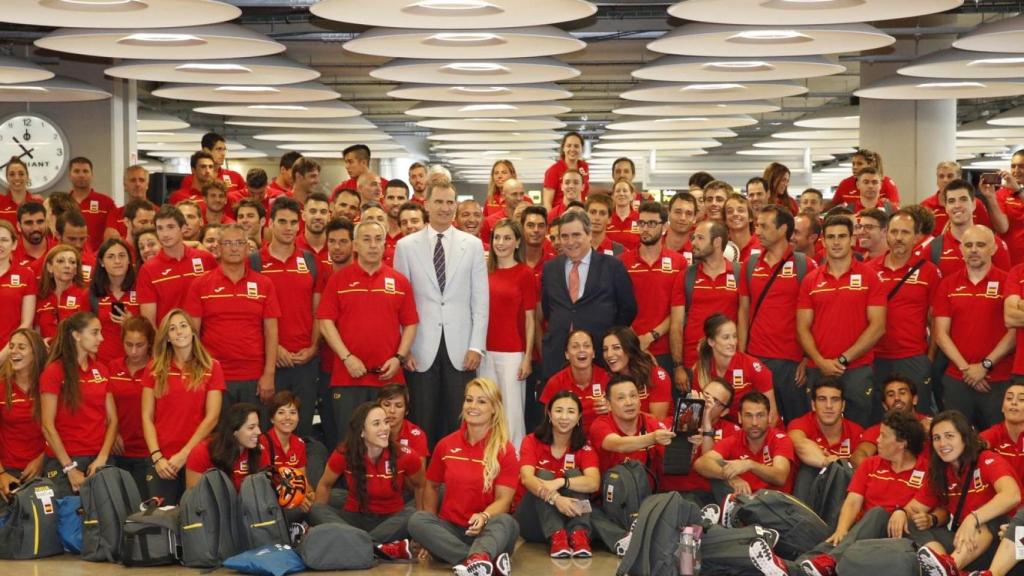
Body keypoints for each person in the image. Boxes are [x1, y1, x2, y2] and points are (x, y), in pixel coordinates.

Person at [394, 177, 488, 444]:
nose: (445, 208)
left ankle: (456, 475)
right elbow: (402, 302)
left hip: (462, 348)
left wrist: (476, 346)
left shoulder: (471, 245)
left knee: (459, 416)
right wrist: (405, 348)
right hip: (420, 347)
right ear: (426, 204)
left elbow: (480, 301)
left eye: (450, 202)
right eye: (439, 202)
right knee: (423, 417)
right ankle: (426, 480)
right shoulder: (406, 246)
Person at [786, 410, 930, 576]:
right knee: (835, 541)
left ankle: (830, 562)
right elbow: (853, 501)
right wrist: (841, 530)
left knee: (878, 514)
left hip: (896, 537)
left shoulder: (926, 470)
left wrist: (903, 513)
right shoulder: (870, 464)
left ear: (902, 442)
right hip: (863, 532)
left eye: (883, 436)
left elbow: (932, 509)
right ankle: (792, 570)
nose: (877, 441)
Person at [407, 378, 520, 576]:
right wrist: (431, 537)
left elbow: (505, 500)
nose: (472, 406)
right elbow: (431, 486)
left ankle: (478, 558)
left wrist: (485, 516)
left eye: (482, 401)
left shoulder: (505, 450)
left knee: (506, 522)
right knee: (417, 520)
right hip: (451, 530)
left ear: (494, 408)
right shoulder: (446, 444)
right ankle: (481, 562)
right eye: (469, 400)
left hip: (487, 529)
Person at [319, 220, 418, 440]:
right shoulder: (338, 280)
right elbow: (325, 323)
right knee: (349, 443)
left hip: (389, 379)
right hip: (347, 378)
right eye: (366, 239)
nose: (373, 245)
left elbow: (411, 323)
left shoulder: (400, 281)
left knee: (388, 444)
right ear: (355, 245)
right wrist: (347, 358)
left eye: (378, 240)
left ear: (385, 245)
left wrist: (398, 358)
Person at [797, 215, 886, 427]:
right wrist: (819, 361)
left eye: (842, 236)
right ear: (823, 241)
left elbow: (878, 326)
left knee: (858, 429)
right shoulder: (811, 279)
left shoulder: (870, 277)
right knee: (819, 429)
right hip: (818, 368)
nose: (836, 242)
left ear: (852, 239)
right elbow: (802, 328)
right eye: (831, 237)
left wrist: (843, 359)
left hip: (856, 370)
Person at [907, 411, 1020, 576]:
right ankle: (942, 564)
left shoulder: (987, 459)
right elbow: (913, 508)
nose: (942, 443)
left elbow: (1012, 495)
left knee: (991, 516)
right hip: (964, 544)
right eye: (936, 438)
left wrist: (973, 518)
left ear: (965, 437)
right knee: (912, 521)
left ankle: (951, 567)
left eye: (949, 436)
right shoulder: (940, 471)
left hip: (1001, 543)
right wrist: (905, 514)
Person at [185, 224, 280, 410]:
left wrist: (269, 374)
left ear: (247, 248)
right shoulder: (200, 284)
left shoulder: (264, 284)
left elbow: (271, 331)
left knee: (252, 436)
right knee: (219, 436)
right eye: (228, 243)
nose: (234, 247)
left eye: (239, 242)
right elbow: (192, 333)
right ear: (218, 248)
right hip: (213, 374)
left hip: (253, 376)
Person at [311, 401, 423, 560]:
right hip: (354, 519)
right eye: (376, 424)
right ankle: (378, 547)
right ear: (362, 432)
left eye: (386, 422)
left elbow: (422, 486)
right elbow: (325, 484)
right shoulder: (344, 453)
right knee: (316, 510)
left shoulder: (404, 454)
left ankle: (354, 544)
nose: (384, 428)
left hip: (391, 520)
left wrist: (419, 531)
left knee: (413, 514)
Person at [933, 225, 1014, 429]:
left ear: (993, 248)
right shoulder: (948, 284)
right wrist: (967, 370)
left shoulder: (1008, 282)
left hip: (998, 379)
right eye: (968, 245)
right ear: (961, 250)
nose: (974, 250)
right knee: (957, 442)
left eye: (980, 245)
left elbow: (1014, 332)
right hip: (957, 378)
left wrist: (985, 366)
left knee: (996, 440)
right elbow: (940, 334)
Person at [540, 210, 636, 381]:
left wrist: (607, 335)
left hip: (600, 355)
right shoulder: (550, 268)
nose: (570, 242)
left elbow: (628, 309)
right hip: (557, 356)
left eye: (576, 235)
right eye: (565, 236)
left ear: (589, 234)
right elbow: (549, 310)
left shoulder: (612, 266)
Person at [255, 197, 323, 437]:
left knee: (301, 431)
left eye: (293, 222)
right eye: (282, 221)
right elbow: (253, 316)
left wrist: (314, 347)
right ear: (270, 224)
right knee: (268, 432)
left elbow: (318, 311)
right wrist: (276, 349)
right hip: (270, 361)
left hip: (305, 361)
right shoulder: (255, 262)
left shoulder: (310, 261)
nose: (288, 227)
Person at [141, 309, 224, 504]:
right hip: (162, 461)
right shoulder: (154, 368)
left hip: (197, 457)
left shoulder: (212, 367)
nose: (179, 332)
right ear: (167, 337)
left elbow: (212, 417)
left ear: (193, 331)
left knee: (196, 520)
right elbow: (146, 416)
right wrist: (157, 457)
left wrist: (185, 453)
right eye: (172, 328)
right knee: (163, 521)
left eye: (183, 326)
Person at [738, 205, 811, 423]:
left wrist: (808, 358)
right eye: (756, 225)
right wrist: (742, 355)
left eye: (763, 226)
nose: (757, 231)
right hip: (756, 357)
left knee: (797, 422)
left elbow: (813, 315)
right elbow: (742, 311)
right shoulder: (750, 264)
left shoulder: (804, 265)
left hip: (792, 361)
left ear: (782, 230)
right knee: (757, 423)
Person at [39, 312, 118, 497]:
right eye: (95, 332)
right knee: (70, 521)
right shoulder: (54, 372)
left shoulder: (101, 369)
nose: (101, 338)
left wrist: (103, 458)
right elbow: (47, 426)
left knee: (104, 523)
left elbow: (113, 420)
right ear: (76, 335)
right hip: (65, 461)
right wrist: (69, 468)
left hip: (99, 459)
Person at [868, 210, 941, 409]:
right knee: (877, 417)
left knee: (918, 416)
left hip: (913, 357)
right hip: (874, 357)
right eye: (894, 232)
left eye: (905, 233)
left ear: (917, 237)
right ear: (886, 234)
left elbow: (935, 320)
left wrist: (930, 357)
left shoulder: (930, 272)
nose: (899, 238)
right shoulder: (868, 270)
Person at [517, 391, 599, 558]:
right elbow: (527, 477)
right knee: (544, 476)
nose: (564, 417)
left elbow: (594, 483)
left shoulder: (584, 446)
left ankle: (579, 535)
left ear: (578, 417)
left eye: (571, 412)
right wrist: (556, 498)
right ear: (549, 414)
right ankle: (557, 536)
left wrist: (563, 482)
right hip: (533, 520)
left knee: (574, 474)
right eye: (559, 410)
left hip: (568, 516)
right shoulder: (531, 441)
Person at [482, 218, 536, 447]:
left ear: (517, 243)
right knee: (486, 408)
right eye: (497, 237)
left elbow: (530, 319)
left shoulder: (525, 274)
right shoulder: (482, 271)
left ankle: (514, 460)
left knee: (512, 413)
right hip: (484, 353)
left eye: (507, 238)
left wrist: (527, 357)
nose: (500, 243)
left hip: (512, 353)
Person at [671, 220, 739, 392]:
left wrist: (742, 359)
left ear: (717, 242)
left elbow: (745, 319)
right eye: (693, 238)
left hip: (729, 362)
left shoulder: (739, 273)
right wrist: (678, 366)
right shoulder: (685, 276)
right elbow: (676, 325)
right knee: (693, 416)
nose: (693, 243)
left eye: (700, 238)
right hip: (692, 363)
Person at [621, 201, 686, 376]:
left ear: (664, 226)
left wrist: (650, 336)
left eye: (651, 224)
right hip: (630, 347)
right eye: (641, 223)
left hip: (666, 348)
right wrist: (635, 339)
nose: (645, 229)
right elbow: (617, 307)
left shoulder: (679, 262)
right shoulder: (622, 262)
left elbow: (678, 310)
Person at [694, 391, 794, 497]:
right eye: (748, 416)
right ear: (740, 418)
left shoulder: (781, 439)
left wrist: (750, 465)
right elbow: (701, 463)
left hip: (777, 505)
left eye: (760, 415)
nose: (754, 422)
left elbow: (780, 476)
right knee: (717, 471)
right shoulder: (734, 439)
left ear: (769, 417)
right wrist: (730, 476)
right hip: (744, 504)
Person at [658, 378, 740, 507]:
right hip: (675, 493)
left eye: (715, 401)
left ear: (724, 412)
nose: (708, 402)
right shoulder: (670, 423)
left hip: (713, 494)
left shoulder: (732, 431)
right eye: (706, 395)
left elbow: (708, 464)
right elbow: (675, 465)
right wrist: (691, 418)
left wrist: (707, 425)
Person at [137, 205, 217, 326]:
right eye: (160, 228)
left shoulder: (205, 259)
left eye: (170, 227)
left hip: (205, 339)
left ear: (183, 228)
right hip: (168, 341)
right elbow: (149, 323)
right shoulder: (148, 269)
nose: (165, 234)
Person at [693, 313, 777, 426]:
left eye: (734, 336)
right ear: (711, 341)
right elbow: (697, 413)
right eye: (726, 337)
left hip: (754, 432)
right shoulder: (700, 370)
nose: (733, 342)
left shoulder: (753, 367)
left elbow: (772, 416)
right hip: (719, 431)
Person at [787, 379, 864, 501]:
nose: (829, 406)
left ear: (843, 405)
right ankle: (802, 518)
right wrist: (828, 463)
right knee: (808, 468)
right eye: (822, 399)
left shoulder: (856, 431)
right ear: (813, 405)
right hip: (809, 494)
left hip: (841, 498)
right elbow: (800, 444)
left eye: (835, 400)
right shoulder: (800, 424)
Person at [588, 374, 674, 475]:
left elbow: (673, 459)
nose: (629, 402)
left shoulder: (650, 422)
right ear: (608, 405)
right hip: (611, 489)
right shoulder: (600, 425)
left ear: (640, 401)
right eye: (621, 398)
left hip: (648, 490)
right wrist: (653, 438)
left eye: (633, 396)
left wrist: (692, 446)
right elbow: (619, 444)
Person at [107, 316, 153, 494]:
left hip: (147, 453)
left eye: (139, 345)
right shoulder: (111, 367)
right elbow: (101, 407)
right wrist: (112, 433)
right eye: (128, 344)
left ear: (149, 343)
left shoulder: (157, 369)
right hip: (118, 451)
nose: (133, 351)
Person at [0, 329, 47, 497]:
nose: (13, 351)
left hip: (45, 468)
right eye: (11, 346)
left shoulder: (48, 385)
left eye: (21, 347)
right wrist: (2, 475)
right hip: (8, 471)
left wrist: (42, 461)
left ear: (35, 353)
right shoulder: (2, 387)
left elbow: (62, 430)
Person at [934, 179, 1012, 278]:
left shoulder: (996, 244)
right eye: (951, 201)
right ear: (946, 207)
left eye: (963, 199)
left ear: (974, 204)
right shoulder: (934, 248)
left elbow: (1007, 287)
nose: (957, 205)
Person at [540, 330, 610, 436]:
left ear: (594, 353)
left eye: (586, 346)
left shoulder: (608, 378)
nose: (581, 350)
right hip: (569, 440)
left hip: (603, 439)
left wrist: (612, 408)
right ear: (567, 354)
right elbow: (549, 421)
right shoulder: (556, 382)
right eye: (575, 346)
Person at [185, 403, 269, 491]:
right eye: (251, 428)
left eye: (258, 426)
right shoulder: (202, 451)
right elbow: (194, 496)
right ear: (234, 431)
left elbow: (264, 492)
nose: (259, 432)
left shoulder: (259, 451)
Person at [259, 391, 313, 511]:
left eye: (293, 412)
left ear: (298, 417)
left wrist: (308, 494)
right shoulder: (262, 443)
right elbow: (264, 485)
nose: (288, 417)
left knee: (318, 505)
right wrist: (296, 499)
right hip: (270, 503)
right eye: (281, 412)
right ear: (272, 419)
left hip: (293, 499)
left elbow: (302, 481)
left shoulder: (299, 444)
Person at [603, 326, 671, 420]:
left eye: (616, 348)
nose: (609, 354)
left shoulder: (655, 375)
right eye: (605, 349)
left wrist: (615, 410)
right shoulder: (607, 377)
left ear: (630, 349)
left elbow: (657, 419)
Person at [90, 238, 139, 364]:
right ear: (101, 262)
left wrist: (132, 323)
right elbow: (85, 332)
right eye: (111, 257)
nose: (117, 261)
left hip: (136, 362)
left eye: (122, 256)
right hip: (102, 364)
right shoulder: (92, 294)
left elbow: (151, 328)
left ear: (129, 260)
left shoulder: (142, 288)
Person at [921, 161, 1004, 235]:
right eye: (941, 176)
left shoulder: (975, 203)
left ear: (959, 177)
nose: (945, 180)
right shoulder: (926, 206)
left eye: (950, 176)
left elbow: (987, 231)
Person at [35, 244, 90, 343]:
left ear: (77, 269)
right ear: (49, 267)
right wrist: (40, 343)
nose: (67, 266)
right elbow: (36, 332)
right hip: (47, 355)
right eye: (61, 261)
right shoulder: (40, 297)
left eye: (72, 262)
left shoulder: (85, 295)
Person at [177, 133, 248, 203]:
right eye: (218, 149)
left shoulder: (235, 176)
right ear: (206, 150)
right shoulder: (190, 179)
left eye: (224, 150)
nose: (223, 154)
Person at [0, 220, 35, 365]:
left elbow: (26, 323)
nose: (0, 244)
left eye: (4, 240)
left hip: (12, 354)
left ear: (14, 244)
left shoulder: (26, 275)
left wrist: (2, 356)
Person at [68, 157, 116, 252]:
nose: (81, 175)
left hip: (97, 259)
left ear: (92, 175)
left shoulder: (107, 202)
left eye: (85, 171)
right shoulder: (61, 202)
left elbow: (112, 234)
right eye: (76, 171)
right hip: (67, 258)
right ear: (69, 175)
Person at [980, 383, 1024, 487]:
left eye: (1022, 400)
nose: (1014, 403)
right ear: (1002, 408)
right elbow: (973, 447)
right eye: (1009, 398)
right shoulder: (994, 433)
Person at [830, 149, 901, 208]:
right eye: (853, 164)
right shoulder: (845, 183)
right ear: (858, 185)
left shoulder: (887, 183)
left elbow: (895, 207)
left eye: (859, 164)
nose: (855, 167)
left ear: (870, 164)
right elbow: (833, 203)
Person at [543, 131, 589, 212]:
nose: (572, 149)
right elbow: (547, 202)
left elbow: (585, 189)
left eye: (576, 146)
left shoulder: (584, 166)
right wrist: (551, 221)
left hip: (580, 212)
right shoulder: (553, 170)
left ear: (582, 149)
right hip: (560, 214)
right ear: (563, 148)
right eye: (569, 146)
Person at [993, 149, 1024, 265]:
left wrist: (1018, 191)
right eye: (1013, 166)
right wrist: (990, 197)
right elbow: (1002, 228)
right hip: (1009, 259)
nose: (1016, 171)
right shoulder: (1001, 194)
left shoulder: (1017, 191)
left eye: (1021, 166)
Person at [0, 157, 43, 227]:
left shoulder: (38, 202)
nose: (17, 178)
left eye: (21, 174)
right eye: (12, 174)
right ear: (7, 178)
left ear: (27, 176)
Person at [296, 193, 333, 270]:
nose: (318, 217)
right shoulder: (292, 246)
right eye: (313, 211)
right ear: (303, 215)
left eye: (323, 212)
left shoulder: (337, 247)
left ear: (329, 217)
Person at [663, 191, 698, 263]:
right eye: (678, 212)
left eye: (689, 213)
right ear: (668, 213)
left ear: (695, 218)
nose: (683, 218)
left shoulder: (699, 251)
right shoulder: (653, 246)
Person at [12, 201, 49, 268]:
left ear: (46, 223)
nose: (35, 228)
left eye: (40, 222)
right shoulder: (9, 253)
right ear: (18, 226)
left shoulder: (59, 249)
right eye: (29, 223)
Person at [724, 193, 760, 262]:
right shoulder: (720, 249)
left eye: (740, 210)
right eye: (730, 211)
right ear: (725, 219)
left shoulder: (762, 245)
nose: (735, 214)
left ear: (750, 217)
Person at [606, 179, 639, 251]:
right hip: (610, 261)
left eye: (625, 191)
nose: (621, 194)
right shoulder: (606, 218)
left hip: (633, 261)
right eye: (618, 191)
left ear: (632, 196)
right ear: (613, 196)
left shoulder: (640, 219)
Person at [381, 180, 409, 252]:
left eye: (400, 198)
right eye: (391, 198)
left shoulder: (415, 233)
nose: (395, 203)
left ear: (408, 202)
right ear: (384, 201)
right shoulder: (374, 232)